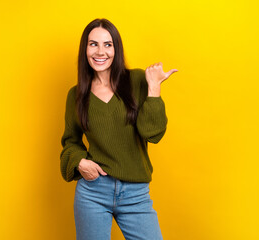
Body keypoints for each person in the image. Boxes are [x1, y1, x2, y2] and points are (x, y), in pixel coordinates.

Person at [60, 18, 178, 240]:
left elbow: (152, 134)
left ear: (116, 48)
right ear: (85, 49)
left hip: (136, 194)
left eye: (108, 44)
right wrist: (79, 162)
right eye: (93, 44)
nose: (100, 51)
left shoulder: (137, 80)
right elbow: (70, 141)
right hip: (93, 192)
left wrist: (154, 88)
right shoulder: (75, 95)